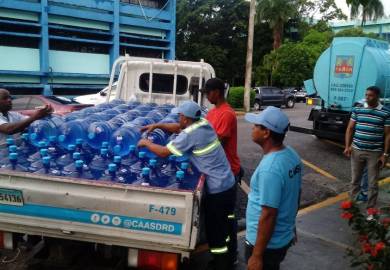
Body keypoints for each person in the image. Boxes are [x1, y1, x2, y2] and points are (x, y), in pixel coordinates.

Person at [138, 100, 236, 270]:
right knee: (226, 224)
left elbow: (163, 153)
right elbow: (177, 128)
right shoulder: (203, 123)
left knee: (215, 231)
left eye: (180, 115)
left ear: (186, 118)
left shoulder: (190, 135)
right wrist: (157, 125)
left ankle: (220, 264)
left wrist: (146, 143)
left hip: (217, 189)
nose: (179, 118)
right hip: (228, 183)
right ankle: (229, 257)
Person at [244, 106, 302, 270]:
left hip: (265, 245)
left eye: (256, 125)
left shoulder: (271, 168)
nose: (252, 128)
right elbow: (295, 194)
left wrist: (256, 256)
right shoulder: (291, 155)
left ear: (266, 133)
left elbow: (268, 214)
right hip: (281, 238)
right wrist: (291, 226)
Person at [201, 77, 242, 265]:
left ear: (216, 91)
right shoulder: (212, 112)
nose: (207, 96)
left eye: (208, 93)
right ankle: (220, 256)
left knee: (225, 218)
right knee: (217, 219)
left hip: (227, 173)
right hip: (217, 173)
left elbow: (217, 144)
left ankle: (228, 257)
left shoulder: (227, 114)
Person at [344, 86, 390, 211]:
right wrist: (347, 146)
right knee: (355, 180)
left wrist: (385, 154)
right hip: (356, 150)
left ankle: (371, 210)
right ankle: (352, 207)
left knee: (372, 183)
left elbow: (388, 134)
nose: (367, 97)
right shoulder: (358, 109)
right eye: (366, 95)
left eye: (370, 95)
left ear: (377, 96)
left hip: (375, 153)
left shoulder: (385, 112)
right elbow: (350, 128)